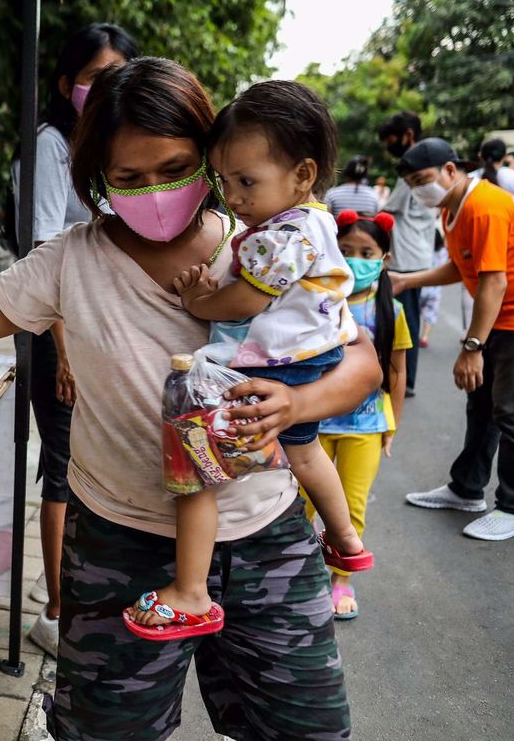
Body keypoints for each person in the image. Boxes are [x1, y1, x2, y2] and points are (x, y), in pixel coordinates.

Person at [0, 58, 381, 740]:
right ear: (97, 180)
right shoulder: (69, 260)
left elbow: (361, 364)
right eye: (129, 178)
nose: (155, 191)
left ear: (209, 160)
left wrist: (296, 407)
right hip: (120, 545)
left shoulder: (264, 244)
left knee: (308, 732)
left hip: (265, 537)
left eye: (175, 168)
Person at [128, 81, 369, 638]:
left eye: (246, 181)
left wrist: (197, 300)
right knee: (305, 451)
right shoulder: (315, 222)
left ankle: (190, 592)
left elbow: (245, 300)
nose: (233, 196)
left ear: (303, 174)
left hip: (268, 369)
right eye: (224, 181)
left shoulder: (280, 235)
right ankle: (348, 540)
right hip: (309, 360)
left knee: (195, 470)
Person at [10, 22, 139, 656]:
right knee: (60, 471)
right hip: (59, 337)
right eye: (95, 75)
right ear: (67, 84)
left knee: (91, 464)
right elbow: (44, 254)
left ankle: (74, 591)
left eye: (120, 72)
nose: (107, 85)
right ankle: (56, 615)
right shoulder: (53, 147)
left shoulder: (113, 148)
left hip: (102, 334)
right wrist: (63, 351)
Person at [392, 138, 514, 542]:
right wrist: (409, 280)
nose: (419, 189)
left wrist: (471, 348)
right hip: (497, 317)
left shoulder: (484, 207)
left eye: (423, 179)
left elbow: (493, 281)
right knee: (480, 407)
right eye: (412, 183)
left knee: (511, 414)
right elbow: (460, 265)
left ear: (450, 170)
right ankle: (467, 489)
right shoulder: (451, 210)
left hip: (513, 320)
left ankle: (513, 507)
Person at [315, 211, 411, 618]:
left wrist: (392, 427)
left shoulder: (392, 310)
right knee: (298, 504)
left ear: (384, 258)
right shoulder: (316, 302)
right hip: (311, 426)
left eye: (367, 252)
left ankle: (341, 580)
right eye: (346, 250)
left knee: (350, 508)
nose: (356, 259)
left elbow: (397, 371)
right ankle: (304, 577)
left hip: (367, 426)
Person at [378, 111, 435, 398]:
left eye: (391, 141)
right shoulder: (427, 164)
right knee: (407, 316)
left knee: (404, 318)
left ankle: (405, 379)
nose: (391, 147)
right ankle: (404, 376)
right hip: (418, 252)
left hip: (407, 258)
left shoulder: (411, 166)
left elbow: (388, 209)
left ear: (408, 135)